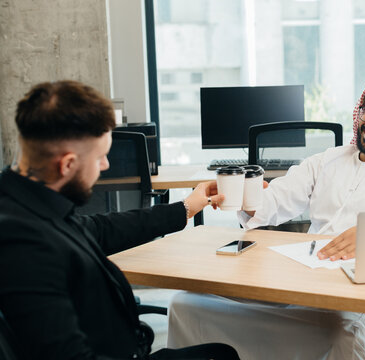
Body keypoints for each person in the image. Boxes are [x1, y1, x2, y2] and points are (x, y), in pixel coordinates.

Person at [167, 82, 365, 360]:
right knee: (187, 304)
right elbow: (276, 200)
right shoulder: (330, 159)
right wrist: (246, 199)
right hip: (306, 272)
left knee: (341, 332)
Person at [0, 80, 240, 360]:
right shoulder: (22, 242)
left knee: (221, 353)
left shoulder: (29, 201)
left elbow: (102, 229)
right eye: (101, 156)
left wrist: (186, 207)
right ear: (67, 164)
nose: (106, 165)